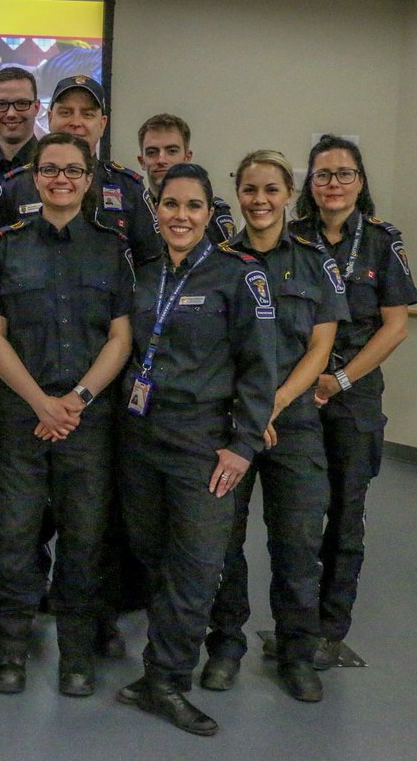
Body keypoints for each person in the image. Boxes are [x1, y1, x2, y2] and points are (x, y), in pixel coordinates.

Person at [115, 164, 277, 736]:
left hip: (203, 443)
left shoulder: (240, 275)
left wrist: (243, 445)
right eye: (170, 204)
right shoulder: (146, 272)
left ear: (210, 213)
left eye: (192, 206)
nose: (180, 216)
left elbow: (262, 369)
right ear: (156, 210)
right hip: (140, 436)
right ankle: (158, 668)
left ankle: (169, 680)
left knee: (197, 564)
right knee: (152, 554)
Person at [0, 133, 133, 697]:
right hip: (24, 414)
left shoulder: (111, 248)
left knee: (84, 537)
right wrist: (39, 401)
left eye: (73, 170)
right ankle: (11, 647)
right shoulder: (5, 245)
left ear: (89, 179)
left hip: (87, 419)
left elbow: (121, 336)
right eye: (50, 170)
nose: (60, 179)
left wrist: (79, 400)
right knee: (14, 535)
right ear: (33, 177)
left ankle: (76, 652)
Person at [203, 150, 348, 702]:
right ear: (237, 193)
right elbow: (210, 346)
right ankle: (226, 647)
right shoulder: (217, 260)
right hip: (230, 423)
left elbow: (322, 346)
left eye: (270, 190)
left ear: (289, 193)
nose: (259, 200)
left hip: (295, 422)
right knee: (225, 542)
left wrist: (275, 405)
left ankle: (296, 653)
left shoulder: (316, 261)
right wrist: (248, 415)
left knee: (297, 544)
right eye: (249, 190)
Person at [290, 135, 417, 670]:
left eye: (343, 174)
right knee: (295, 516)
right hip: (298, 393)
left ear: (360, 182)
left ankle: (330, 631)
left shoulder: (383, 243)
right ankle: (295, 623)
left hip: (352, 396)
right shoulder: (292, 239)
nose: (333, 183)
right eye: (322, 174)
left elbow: (396, 324)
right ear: (309, 184)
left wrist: (338, 380)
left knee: (345, 516)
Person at [0, 75, 159, 266]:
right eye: (66, 112)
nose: (76, 122)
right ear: (50, 118)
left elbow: (151, 264)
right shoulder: (17, 185)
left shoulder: (128, 187)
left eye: (87, 114)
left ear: (102, 124)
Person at [136, 113, 235, 242]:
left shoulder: (213, 212)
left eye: (171, 151)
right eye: (152, 152)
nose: (161, 159)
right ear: (142, 161)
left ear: (187, 157)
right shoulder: (131, 212)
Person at [0, 67, 41, 205]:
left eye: (22, 103)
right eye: (1, 104)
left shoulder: (55, 170)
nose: (11, 114)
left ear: (36, 107)